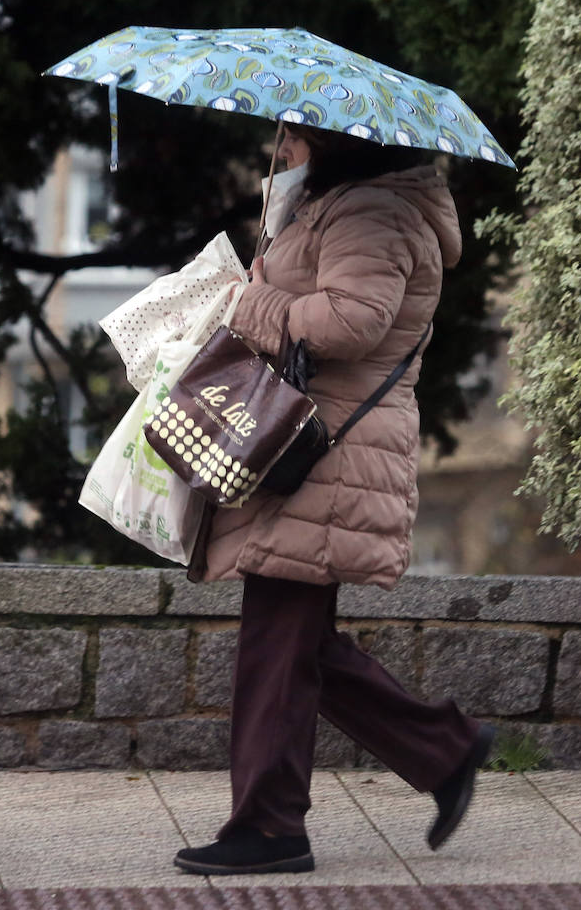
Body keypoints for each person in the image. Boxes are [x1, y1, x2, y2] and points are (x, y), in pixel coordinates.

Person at [173, 122, 496, 876]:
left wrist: (248, 305)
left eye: (293, 135)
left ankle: (271, 828)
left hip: (327, 449)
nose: (281, 147)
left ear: (337, 138)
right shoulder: (341, 204)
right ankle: (443, 750)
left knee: (276, 645)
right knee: (295, 645)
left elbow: (352, 321)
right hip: (315, 441)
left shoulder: (372, 213)